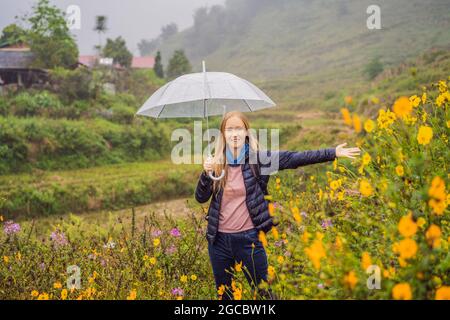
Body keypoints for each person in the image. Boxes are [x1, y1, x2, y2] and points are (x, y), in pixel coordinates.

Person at [195, 110, 360, 300]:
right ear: (223, 133)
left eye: (239, 128)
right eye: (229, 129)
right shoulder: (216, 164)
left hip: (250, 239)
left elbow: (293, 159)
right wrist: (206, 173)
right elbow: (201, 198)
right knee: (225, 296)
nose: (234, 134)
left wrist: (332, 153)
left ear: (246, 132)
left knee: (264, 293)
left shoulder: (259, 160)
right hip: (219, 242)